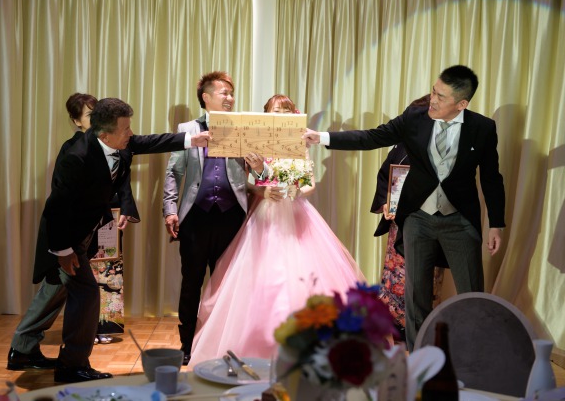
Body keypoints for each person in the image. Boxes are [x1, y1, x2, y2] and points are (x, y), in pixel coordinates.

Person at [304, 65, 506, 350]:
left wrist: (496, 223)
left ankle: (474, 356)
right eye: (433, 91)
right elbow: (372, 137)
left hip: (459, 220)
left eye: (441, 97)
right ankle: (419, 354)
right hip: (418, 218)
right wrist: (322, 137)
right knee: (415, 295)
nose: (432, 100)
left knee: (471, 293)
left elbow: (491, 178)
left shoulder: (482, 128)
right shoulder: (415, 118)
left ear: (461, 104)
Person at [9, 97, 210, 382]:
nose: (131, 134)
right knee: (87, 295)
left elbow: (150, 142)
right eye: (126, 129)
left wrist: (192, 139)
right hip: (65, 238)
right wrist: (64, 252)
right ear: (104, 134)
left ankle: (22, 349)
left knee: (54, 291)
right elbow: (57, 209)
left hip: (83, 234)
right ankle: (72, 366)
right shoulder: (76, 157)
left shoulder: (119, 142)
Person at [188, 94, 366, 366]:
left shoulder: (299, 142)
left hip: (297, 215)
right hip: (266, 215)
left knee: (303, 276)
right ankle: (260, 345)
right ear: (267, 114)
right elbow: (249, 182)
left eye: (285, 110)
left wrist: (297, 190)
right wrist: (262, 185)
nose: (281, 114)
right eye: (275, 110)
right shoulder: (257, 142)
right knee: (262, 277)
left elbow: (309, 183)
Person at [162, 71, 267, 365]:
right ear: (206, 97)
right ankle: (187, 344)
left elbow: (260, 174)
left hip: (232, 217)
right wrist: (170, 209)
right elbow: (174, 172)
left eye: (232, 93)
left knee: (227, 285)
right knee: (191, 282)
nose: (230, 98)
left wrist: (259, 167)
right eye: (224, 93)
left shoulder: (243, 128)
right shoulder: (188, 129)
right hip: (195, 217)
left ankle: (221, 343)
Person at [371, 95, 447, 342]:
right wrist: (385, 203)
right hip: (400, 223)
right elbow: (385, 176)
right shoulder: (402, 145)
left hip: (430, 222)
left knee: (424, 275)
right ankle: (395, 325)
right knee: (397, 274)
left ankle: (421, 327)